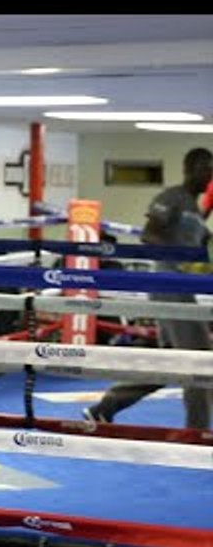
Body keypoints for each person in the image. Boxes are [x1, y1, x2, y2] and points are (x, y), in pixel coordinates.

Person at [85, 148, 213, 428]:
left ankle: (105, 407)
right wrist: (178, 257)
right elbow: (149, 233)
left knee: (168, 364)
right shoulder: (172, 197)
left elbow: (199, 246)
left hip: (184, 290)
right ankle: (198, 432)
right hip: (169, 285)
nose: (209, 174)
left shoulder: (194, 207)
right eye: (205, 167)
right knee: (199, 360)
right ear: (190, 168)